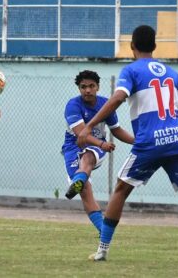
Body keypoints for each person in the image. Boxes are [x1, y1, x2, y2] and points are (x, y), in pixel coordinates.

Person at [77, 25, 178, 265]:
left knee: (121, 190)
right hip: (177, 140)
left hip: (150, 143)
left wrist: (90, 125)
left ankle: (102, 249)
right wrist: (171, 126)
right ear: (154, 46)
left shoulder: (131, 71)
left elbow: (117, 98)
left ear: (132, 45)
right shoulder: (173, 73)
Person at [62, 70, 134, 235]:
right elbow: (81, 134)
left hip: (95, 148)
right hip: (73, 148)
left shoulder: (105, 104)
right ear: (79, 89)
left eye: (91, 86)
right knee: (85, 192)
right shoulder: (73, 105)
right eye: (83, 87)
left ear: (98, 87)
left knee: (87, 157)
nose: (87, 90)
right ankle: (104, 233)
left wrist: (136, 141)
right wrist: (102, 143)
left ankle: (79, 179)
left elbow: (116, 130)